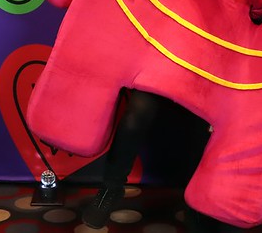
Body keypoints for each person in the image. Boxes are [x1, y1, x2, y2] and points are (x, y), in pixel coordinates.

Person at [81, 89, 245, 232]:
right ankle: (110, 189)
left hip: (202, 78)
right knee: (136, 112)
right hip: (161, 73)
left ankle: (195, 205)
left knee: (203, 121)